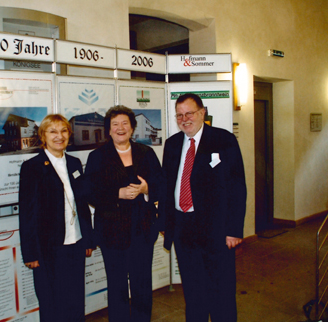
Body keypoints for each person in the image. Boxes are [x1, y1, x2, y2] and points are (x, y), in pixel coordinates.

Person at [162, 93, 247, 322]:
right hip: (183, 229)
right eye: (179, 115)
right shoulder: (171, 145)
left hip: (217, 230)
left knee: (222, 290)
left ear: (202, 113)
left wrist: (234, 230)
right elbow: (167, 186)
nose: (184, 119)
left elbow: (237, 187)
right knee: (192, 290)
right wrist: (166, 223)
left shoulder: (224, 140)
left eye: (189, 113)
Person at [85, 105, 164, 322]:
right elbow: (89, 192)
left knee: (142, 284)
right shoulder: (97, 157)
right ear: (108, 130)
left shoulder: (146, 153)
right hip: (111, 233)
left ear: (132, 128)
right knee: (117, 285)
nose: (120, 128)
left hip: (143, 230)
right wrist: (117, 193)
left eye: (125, 123)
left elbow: (161, 185)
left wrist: (146, 190)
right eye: (115, 124)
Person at [18, 114, 94, 322]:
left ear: (69, 135)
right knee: (51, 302)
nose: (59, 136)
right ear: (43, 136)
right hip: (47, 248)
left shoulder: (75, 163)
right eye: (53, 131)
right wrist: (30, 253)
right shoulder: (32, 167)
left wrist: (87, 239)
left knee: (75, 299)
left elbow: (82, 203)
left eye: (63, 131)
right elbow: (27, 214)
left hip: (75, 244)